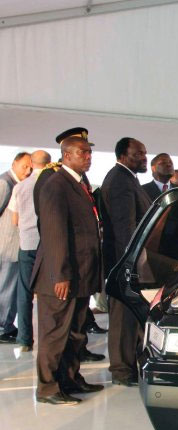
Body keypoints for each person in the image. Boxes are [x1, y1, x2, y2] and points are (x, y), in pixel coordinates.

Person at [32, 136, 104, 404]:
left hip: (81, 274)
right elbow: (54, 234)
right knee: (54, 335)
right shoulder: (55, 184)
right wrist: (60, 275)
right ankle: (47, 388)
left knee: (75, 333)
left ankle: (70, 379)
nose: (88, 157)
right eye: (82, 152)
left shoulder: (79, 183)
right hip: (61, 276)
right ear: (66, 155)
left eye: (89, 153)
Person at [100, 137, 151, 387]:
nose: (144, 157)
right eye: (138, 154)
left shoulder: (128, 178)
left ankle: (129, 366)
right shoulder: (120, 180)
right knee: (122, 319)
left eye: (144, 153)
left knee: (130, 318)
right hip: (125, 263)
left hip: (128, 262)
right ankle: (121, 371)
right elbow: (125, 229)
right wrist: (130, 266)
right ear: (122, 155)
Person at [8, 151, 50, 350]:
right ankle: (48, 338)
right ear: (49, 164)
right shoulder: (52, 185)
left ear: (32, 164)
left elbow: (15, 220)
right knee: (48, 294)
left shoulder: (20, 187)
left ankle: (25, 339)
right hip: (47, 246)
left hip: (27, 244)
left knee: (24, 292)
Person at [0, 152, 32, 344]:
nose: (27, 171)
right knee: (6, 286)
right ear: (14, 164)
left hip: (13, 245)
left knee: (11, 288)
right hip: (7, 245)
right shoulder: (5, 183)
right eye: (24, 166)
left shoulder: (17, 183)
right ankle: (2, 327)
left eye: (30, 168)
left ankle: (7, 325)